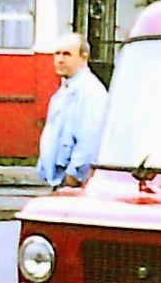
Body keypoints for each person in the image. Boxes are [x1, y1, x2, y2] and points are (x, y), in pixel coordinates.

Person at [37, 32, 109, 190]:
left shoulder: (90, 92)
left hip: (73, 183)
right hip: (59, 180)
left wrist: (73, 177)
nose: (60, 60)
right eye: (57, 53)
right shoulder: (64, 91)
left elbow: (90, 140)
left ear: (83, 58)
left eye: (67, 54)